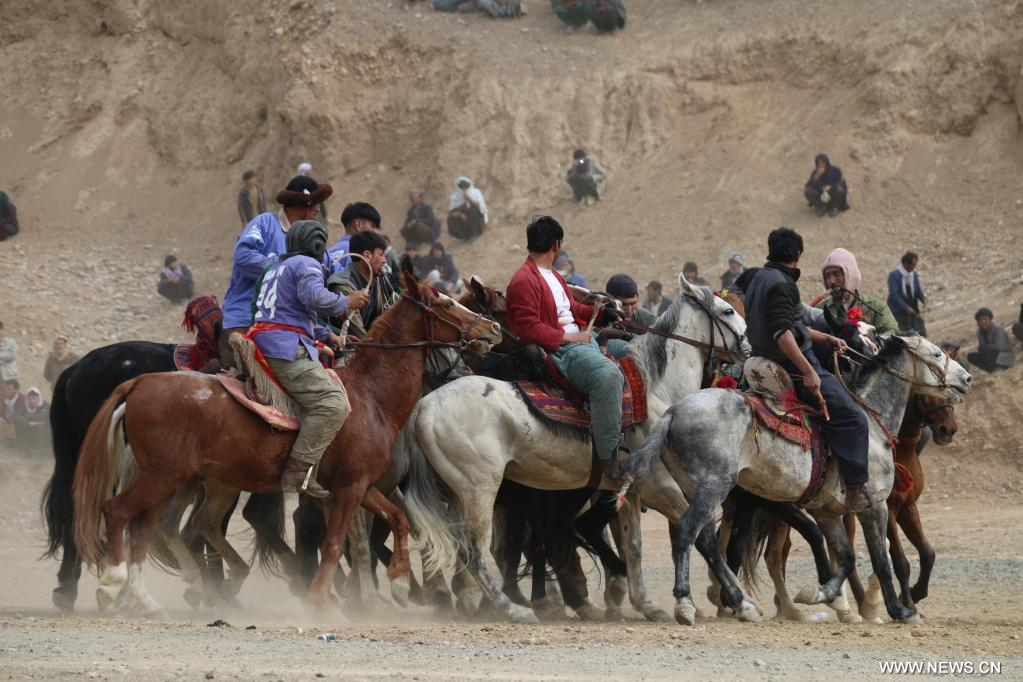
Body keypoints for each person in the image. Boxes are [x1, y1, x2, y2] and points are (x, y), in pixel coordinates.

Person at [744, 227, 870, 513]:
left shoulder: (760, 278)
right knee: (854, 418)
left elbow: (790, 325)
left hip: (758, 359)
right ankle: (854, 491)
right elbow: (781, 333)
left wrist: (826, 337)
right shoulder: (782, 284)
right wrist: (808, 371)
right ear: (798, 255)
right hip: (791, 363)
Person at [505, 216, 631, 483]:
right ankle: (609, 457)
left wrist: (604, 313)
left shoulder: (552, 276)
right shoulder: (523, 280)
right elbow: (527, 328)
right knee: (608, 376)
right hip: (561, 351)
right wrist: (569, 339)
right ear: (556, 245)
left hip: (584, 340)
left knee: (632, 353)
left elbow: (572, 311)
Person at [250, 221, 367, 497]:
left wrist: (326, 335)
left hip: (266, 340)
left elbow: (293, 309)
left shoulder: (276, 267)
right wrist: (347, 302)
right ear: (317, 245)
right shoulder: (306, 264)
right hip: (284, 349)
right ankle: (297, 472)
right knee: (333, 404)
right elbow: (313, 296)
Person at [220, 175, 333, 368]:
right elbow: (243, 256)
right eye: (315, 204)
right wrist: (283, 271)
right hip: (245, 320)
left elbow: (328, 271)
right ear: (302, 204)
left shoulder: (308, 240)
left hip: (284, 330)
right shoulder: (264, 223)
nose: (318, 209)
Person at [327, 230, 396, 339]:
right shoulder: (343, 285)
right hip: (343, 349)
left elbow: (384, 319)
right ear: (367, 255)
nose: (384, 260)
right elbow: (358, 334)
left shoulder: (377, 279)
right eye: (382, 255)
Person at [815, 248, 898, 336]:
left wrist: (873, 341)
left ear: (850, 275)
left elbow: (891, 331)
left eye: (837, 274)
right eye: (827, 276)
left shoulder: (875, 307)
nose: (831, 281)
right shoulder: (819, 310)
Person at [328, 202, 382, 273]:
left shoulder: (329, 252)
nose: (375, 232)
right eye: (373, 226)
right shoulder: (356, 253)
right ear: (358, 225)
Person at [887, 251, 927, 336]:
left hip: (912, 310)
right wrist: (905, 307)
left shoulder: (914, 275)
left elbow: (917, 289)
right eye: (912, 265)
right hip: (898, 312)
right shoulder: (894, 275)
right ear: (906, 263)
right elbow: (894, 294)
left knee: (918, 333)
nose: (914, 267)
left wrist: (923, 299)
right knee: (902, 335)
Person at [967, 308, 1015, 373]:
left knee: (983, 348)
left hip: (1004, 357)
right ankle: (992, 369)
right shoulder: (979, 332)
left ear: (990, 319)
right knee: (971, 356)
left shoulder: (997, 329)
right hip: (991, 356)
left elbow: (999, 347)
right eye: (981, 319)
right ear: (978, 321)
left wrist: (986, 347)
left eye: (985, 319)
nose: (983, 321)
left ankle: (999, 368)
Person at [447, 177, 488, 242]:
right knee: (450, 220)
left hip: (476, 219)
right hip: (464, 221)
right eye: (461, 187)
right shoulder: (455, 197)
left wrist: (469, 199)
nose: (464, 188)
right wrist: (460, 214)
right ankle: (465, 237)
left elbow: (482, 208)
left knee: (471, 210)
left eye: (465, 186)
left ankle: (475, 234)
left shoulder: (476, 192)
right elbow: (451, 212)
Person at [13, 387, 49, 453]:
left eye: (34, 398)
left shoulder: (45, 405)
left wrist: (27, 417)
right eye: (29, 398)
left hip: (43, 430)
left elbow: (44, 415)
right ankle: (25, 448)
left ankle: (42, 450)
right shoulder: (24, 406)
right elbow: (16, 417)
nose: (31, 401)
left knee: (43, 427)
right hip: (28, 428)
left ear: (38, 398)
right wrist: (28, 423)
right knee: (18, 425)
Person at [1, 379, 25, 444]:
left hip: (17, 421)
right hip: (7, 419)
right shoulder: (3, 398)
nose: (6, 391)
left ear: (16, 390)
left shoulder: (21, 399)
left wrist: (10, 420)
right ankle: (4, 440)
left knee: (12, 424)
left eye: (9, 389)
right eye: (5, 389)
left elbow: (19, 414)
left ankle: (14, 442)